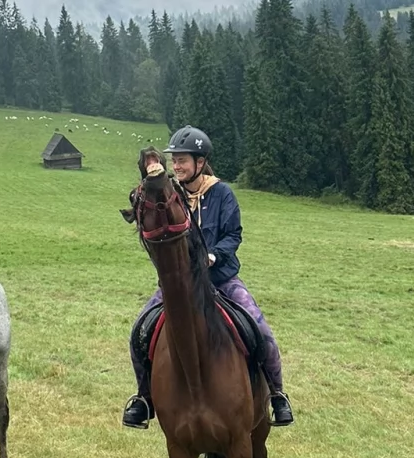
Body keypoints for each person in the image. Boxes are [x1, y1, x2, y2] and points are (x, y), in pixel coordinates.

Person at [122, 125, 294, 429]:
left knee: (259, 327)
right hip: (177, 287)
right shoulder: (171, 195)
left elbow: (233, 235)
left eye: (183, 160)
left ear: (200, 162)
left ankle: (277, 394)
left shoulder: (222, 193)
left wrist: (213, 255)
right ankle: (144, 398)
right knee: (139, 331)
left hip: (221, 281)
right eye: (174, 160)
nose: (177, 166)